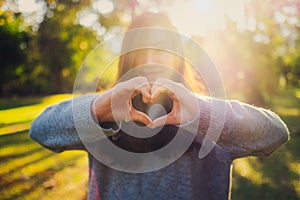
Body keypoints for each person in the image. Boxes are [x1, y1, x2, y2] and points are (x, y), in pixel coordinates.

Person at [30, 12, 289, 200]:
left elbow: (275, 133)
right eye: (140, 51)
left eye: (161, 49)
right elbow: (40, 130)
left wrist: (201, 112)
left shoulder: (209, 119)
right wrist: (99, 109)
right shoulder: (105, 118)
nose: (151, 61)